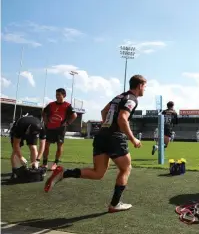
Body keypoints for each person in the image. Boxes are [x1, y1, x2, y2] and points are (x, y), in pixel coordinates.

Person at [44, 75, 147, 213]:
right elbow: (123, 118)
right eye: (145, 86)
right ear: (140, 85)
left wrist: (106, 126)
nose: (145, 89)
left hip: (101, 135)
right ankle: (115, 204)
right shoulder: (132, 99)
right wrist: (133, 138)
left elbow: (104, 111)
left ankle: (64, 173)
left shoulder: (119, 97)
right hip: (115, 138)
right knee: (126, 169)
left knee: (98, 173)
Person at [41, 88, 77, 171]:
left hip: (60, 129)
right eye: (56, 94)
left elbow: (74, 115)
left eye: (59, 95)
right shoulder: (51, 104)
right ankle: (44, 163)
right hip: (50, 128)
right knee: (46, 145)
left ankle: (55, 163)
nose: (57, 96)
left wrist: (67, 123)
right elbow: (44, 112)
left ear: (64, 95)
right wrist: (46, 121)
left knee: (59, 146)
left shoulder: (67, 105)